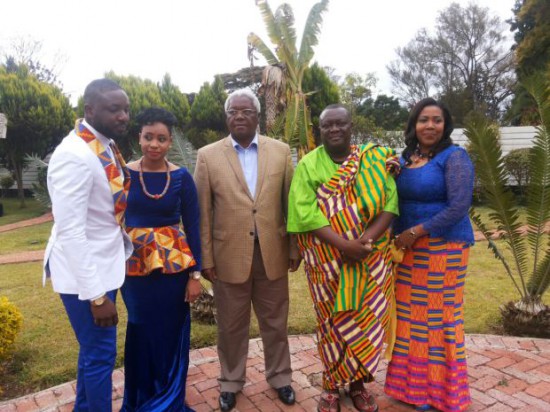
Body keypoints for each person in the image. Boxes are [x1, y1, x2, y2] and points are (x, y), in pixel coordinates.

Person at [194, 88, 300, 412]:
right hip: (228, 257)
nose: (239, 116)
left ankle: (281, 377)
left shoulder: (281, 152)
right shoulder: (208, 156)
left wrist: (294, 248)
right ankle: (230, 382)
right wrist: (206, 259)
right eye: (232, 112)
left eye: (246, 111)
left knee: (275, 322)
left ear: (257, 116)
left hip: (272, 253)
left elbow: (290, 205)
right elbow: (202, 213)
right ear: (226, 118)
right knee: (230, 326)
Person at [287, 104, 399, 412]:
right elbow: (304, 213)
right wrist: (343, 246)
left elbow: (390, 203)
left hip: (368, 259)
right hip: (325, 261)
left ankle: (359, 384)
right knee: (330, 322)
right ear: (319, 130)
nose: (334, 130)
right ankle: (331, 385)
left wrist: (364, 241)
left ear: (351, 127)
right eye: (327, 126)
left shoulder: (374, 161)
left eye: (340, 124)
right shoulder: (309, 165)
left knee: (365, 320)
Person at [43, 78, 132, 411]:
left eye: (125, 109)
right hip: (85, 277)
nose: (123, 116)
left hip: (103, 264)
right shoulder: (74, 155)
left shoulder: (100, 143)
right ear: (90, 109)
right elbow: (71, 231)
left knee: (93, 352)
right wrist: (96, 296)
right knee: (100, 356)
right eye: (114, 109)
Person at [384, 98, 475, 412]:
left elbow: (459, 207)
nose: (430, 126)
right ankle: (411, 389)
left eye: (437, 120)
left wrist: (416, 232)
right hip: (406, 250)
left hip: (444, 247)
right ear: (414, 124)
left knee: (438, 318)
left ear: (445, 125)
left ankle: (441, 393)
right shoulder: (405, 159)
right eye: (424, 120)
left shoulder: (455, 157)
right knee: (410, 319)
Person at [120, 107, 202, 411]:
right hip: (134, 268)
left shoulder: (182, 177)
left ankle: (169, 401)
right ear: (139, 137)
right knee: (140, 328)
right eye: (148, 137)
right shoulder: (124, 174)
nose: (154, 144)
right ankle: (141, 400)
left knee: (171, 331)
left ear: (170, 141)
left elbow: (193, 226)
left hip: (174, 268)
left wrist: (196, 275)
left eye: (162, 139)